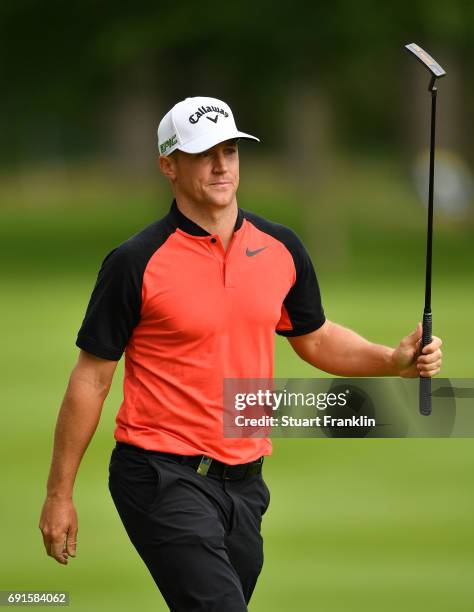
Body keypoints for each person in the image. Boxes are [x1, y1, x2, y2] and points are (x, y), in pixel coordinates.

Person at [39, 96, 443, 611]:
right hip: (160, 475)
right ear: (168, 164)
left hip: (246, 485)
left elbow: (314, 337)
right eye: (204, 152)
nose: (221, 164)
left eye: (230, 150)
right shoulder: (134, 262)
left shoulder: (281, 247)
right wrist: (59, 494)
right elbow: (91, 380)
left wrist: (391, 359)